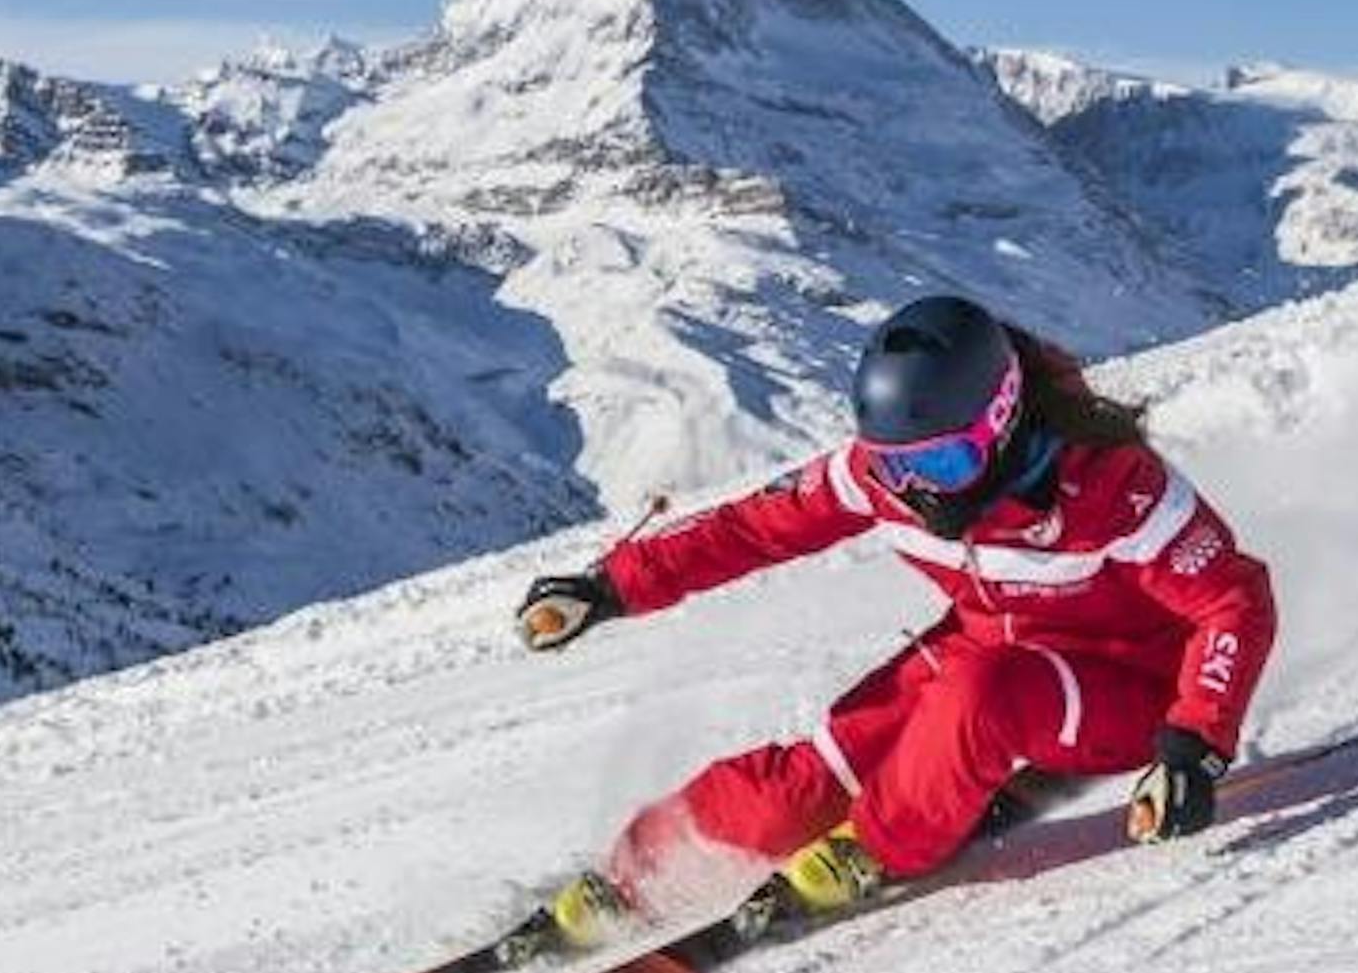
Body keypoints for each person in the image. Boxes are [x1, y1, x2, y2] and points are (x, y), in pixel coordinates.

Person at [513, 293, 1279, 923]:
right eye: (896, 464)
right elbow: (750, 529)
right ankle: (643, 870)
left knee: (983, 695)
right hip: (986, 646)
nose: (920, 489)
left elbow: (1234, 600)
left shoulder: (1113, 486)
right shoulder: (878, 481)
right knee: (810, 779)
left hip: (1132, 685)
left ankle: (875, 847)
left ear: (1003, 420)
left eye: (945, 461)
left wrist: (1193, 748)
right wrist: (610, 587)